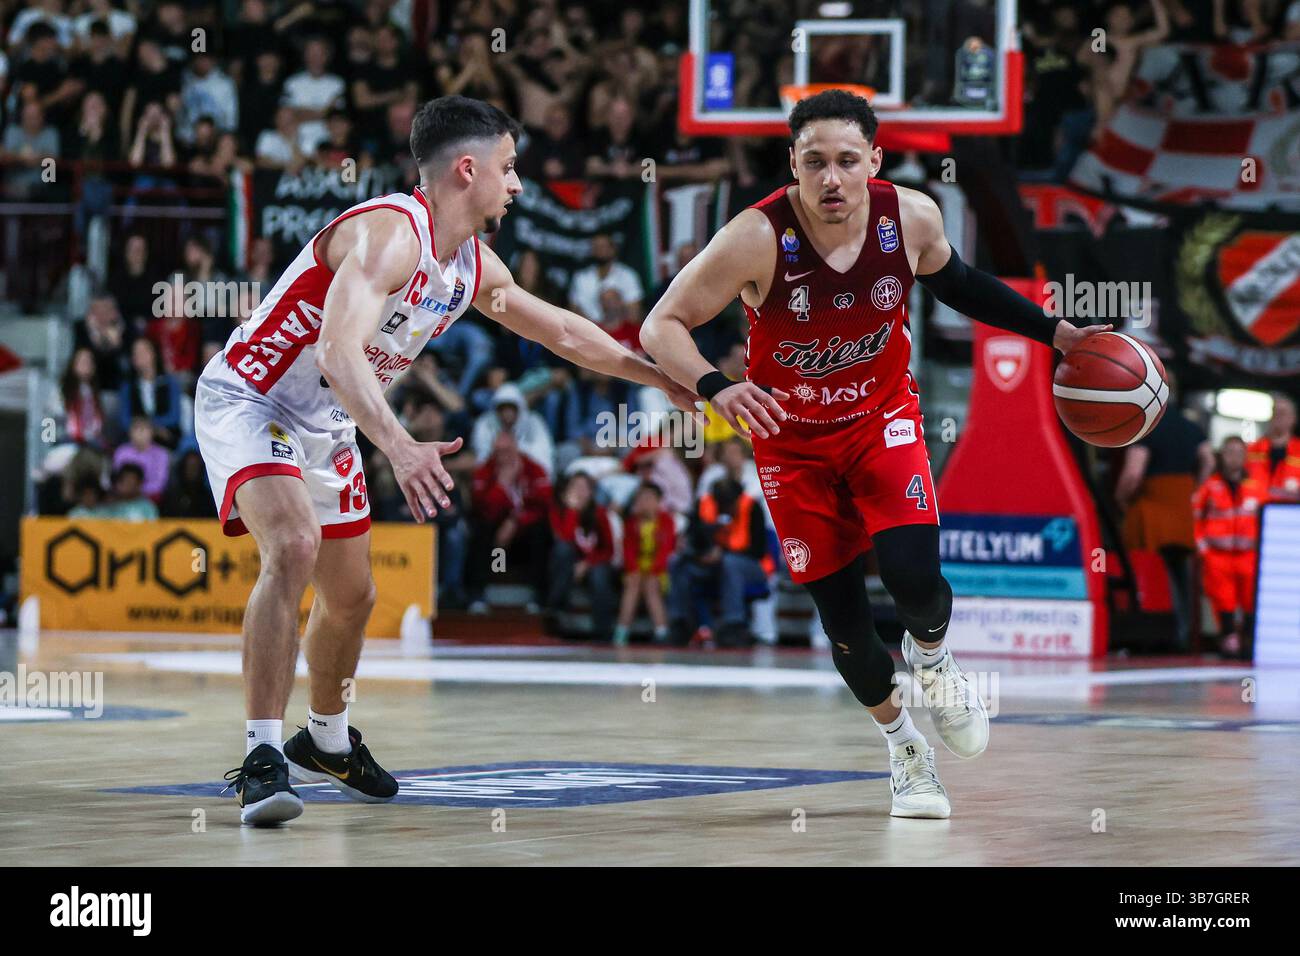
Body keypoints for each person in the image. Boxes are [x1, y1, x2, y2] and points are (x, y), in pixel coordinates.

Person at [193, 95, 696, 825]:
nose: (518, 185)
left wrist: (657, 375)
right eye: (510, 167)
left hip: (331, 420)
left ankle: (327, 739)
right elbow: (336, 352)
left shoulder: (468, 263)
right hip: (254, 399)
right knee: (294, 544)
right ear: (469, 169)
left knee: (356, 598)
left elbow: (560, 331)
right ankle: (263, 755)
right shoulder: (390, 235)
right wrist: (397, 445)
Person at [641, 89, 1110, 819]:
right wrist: (712, 388)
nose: (831, 178)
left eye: (847, 161)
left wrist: (1055, 334)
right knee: (846, 624)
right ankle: (905, 750)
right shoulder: (755, 237)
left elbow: (961, 285)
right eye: (815, 162)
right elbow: (660, 325)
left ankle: (932, 655)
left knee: (916, 575)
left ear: (874, 162)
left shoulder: (912, 216)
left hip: (881, 419)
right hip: (790, 444)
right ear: (792, 165)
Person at [1115, 389, 1212, 650]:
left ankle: (1159, 634)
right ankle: (1184, 634)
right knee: (1181, 573)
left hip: (1152, 510)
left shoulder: (1145, 428)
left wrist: (1121, 498)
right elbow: (1209, 460)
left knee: (1155, 570)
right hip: (1181, 510)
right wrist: (1193, 489)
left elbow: (1133, 473)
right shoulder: (1190, 426)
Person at [668, 476, 770, 648]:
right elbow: (692, 539)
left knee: (730, 563)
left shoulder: (752, 507)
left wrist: (722, 553)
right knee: (677, 561)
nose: (725, 508)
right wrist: (699, 555)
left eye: (728, 503)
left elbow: (758, 550)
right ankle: (681, 622)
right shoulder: (703, 505)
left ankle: (733, 624)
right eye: (721, 503)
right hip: (708, 564)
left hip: (749, 566)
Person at [1192, 436, 1263, 660]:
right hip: (1218, 555)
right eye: (1229, 452)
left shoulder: (1256, 487)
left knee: (1251, 599)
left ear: (1245, 457)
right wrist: (1203, 549)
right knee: (1224, 600)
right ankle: (1229, 639)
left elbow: (1265, 519)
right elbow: (1195, 517)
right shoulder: (1210, 486)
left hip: (1249, 555)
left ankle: (1250, 641)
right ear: (1221, 456)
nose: (1234, 457)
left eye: (1239, 452)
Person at [546, 471, 616, 640]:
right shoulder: (559, 512)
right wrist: (572, 511)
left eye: (583, 488)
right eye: (575, 487)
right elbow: (565, 539)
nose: (579, 492)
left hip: (594, 562)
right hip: (566, 563)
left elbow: (609, 550)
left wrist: (587, 564)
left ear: (591, 492)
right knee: (563, 550)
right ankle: (556, 612)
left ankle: (603, 631)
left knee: (599, 575)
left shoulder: (599, 513)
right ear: (566, 492)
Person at [614, 481, 676, 646]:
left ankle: (662, 632)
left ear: (658, 501)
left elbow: (665, 551)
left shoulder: (666, 521)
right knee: (633, 584)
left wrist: (653, 571)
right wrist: (634, 571)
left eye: (649, 498)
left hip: (659, 570)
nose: (644, 502)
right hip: (636, 569)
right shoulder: (631, 523)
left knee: (650, 585)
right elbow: (628, 551)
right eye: (641, 498)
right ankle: (621, 632)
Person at [1246, 394, 1300, 504]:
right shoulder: (1252, 450)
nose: (1278, 416)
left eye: (1283, 413)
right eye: (1275, 412)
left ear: (1294, 418)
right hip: (1255, 513)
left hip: (1291, 513)